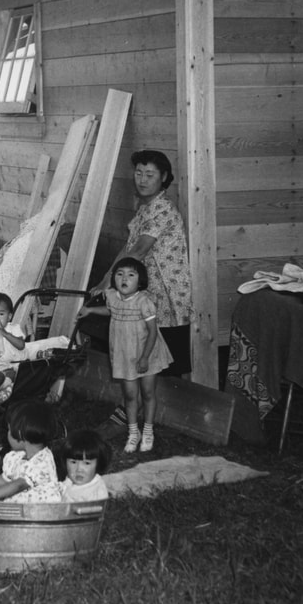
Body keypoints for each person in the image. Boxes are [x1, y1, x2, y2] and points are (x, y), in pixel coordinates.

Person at [90, 149, 193, 436]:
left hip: (167, 294)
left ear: (164, 179)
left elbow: (138, 251)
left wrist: (111, 283)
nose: (142, 179)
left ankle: (172, 416)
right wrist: (103, 280)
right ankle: (134, 411)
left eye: (150, 175)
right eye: (139, 173)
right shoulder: (144, 209)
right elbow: (126, 249)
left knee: (156, 352)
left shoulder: (163, 210)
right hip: (147, 290)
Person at [79, 257, 173, 453]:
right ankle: (133, 432)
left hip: (147, 350)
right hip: (124, 352)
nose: (124, 278)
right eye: (120, 274)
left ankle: (148, 430)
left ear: (140, 281)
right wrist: (90, 310)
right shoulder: (113, 296)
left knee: (147, 393)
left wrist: (145, 357)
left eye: (131, 275)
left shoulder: (144, 302)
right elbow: (112, 310)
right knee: (130, 395)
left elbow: (153, 331)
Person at [58, 429, 111, 502]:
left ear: (98, 464)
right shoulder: (67, 482)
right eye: (73, 462)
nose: (79, 469)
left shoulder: (97, 491)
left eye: (87, 463)